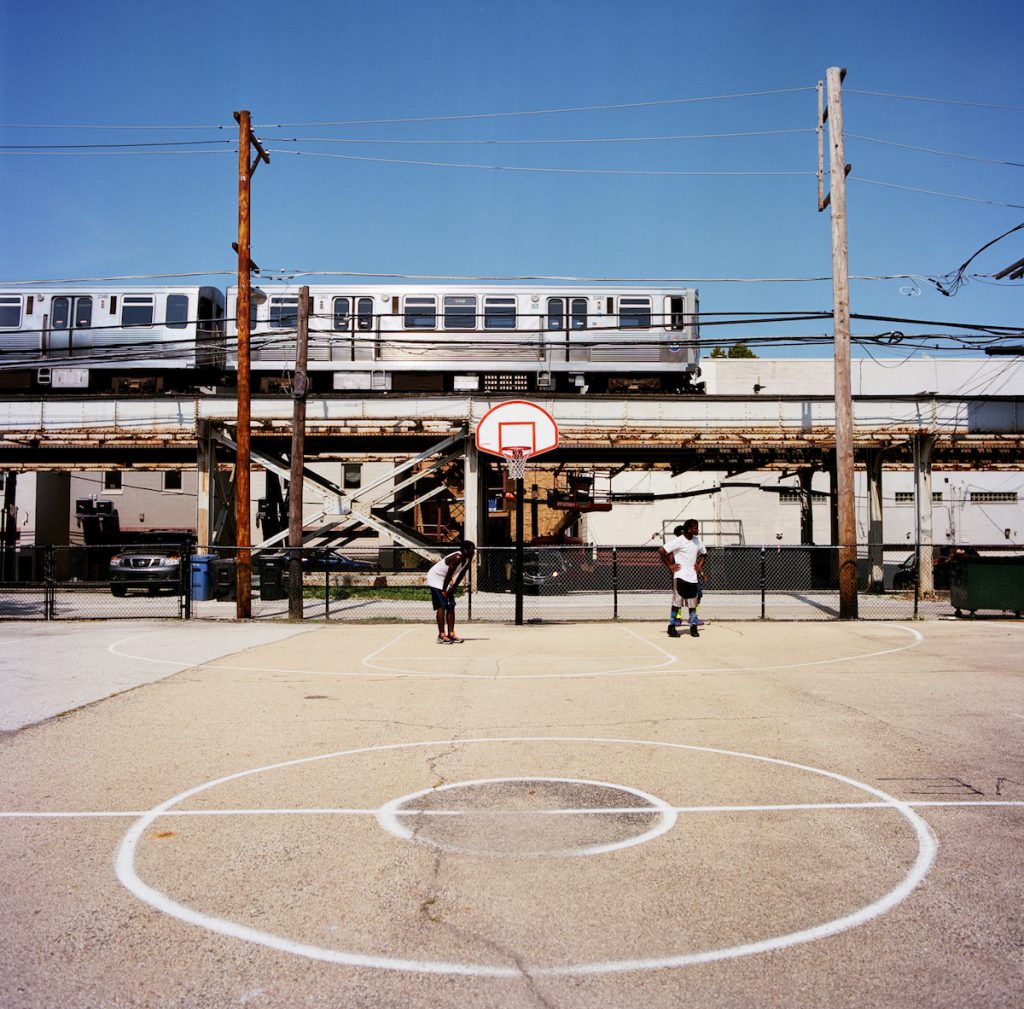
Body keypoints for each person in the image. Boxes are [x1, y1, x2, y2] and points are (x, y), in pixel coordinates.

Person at [659, 519, 707, 638]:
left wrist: (699, 566)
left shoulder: (697, 541)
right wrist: (670, 566)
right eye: (696, 527)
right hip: (680, 576)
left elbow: (704, 554)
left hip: (692, 577)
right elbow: (661, 551)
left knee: (693, 604)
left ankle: (693, 627)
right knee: (677, 603)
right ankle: (671, 627)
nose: (698, 529)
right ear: (689, 529)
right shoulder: (679, 541)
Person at [426, 541, 475, 643]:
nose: (473, 551)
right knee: (442, 605)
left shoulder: (468, 558)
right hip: (436, 578)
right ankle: (441, 635)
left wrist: (454, 588)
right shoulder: (457, 557)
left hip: (444, 580)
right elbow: (449, 574)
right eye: (471, 549)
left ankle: (451, 634)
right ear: (465, 550)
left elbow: (462, 573)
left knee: (451, 605)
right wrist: (444, 590)